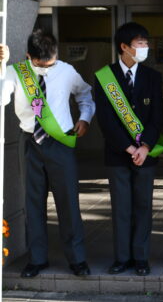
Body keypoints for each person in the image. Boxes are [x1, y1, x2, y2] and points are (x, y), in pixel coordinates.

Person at [0, 30, 95, 277]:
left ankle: (77, 259)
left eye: (49, 65)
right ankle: (38, 258)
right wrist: (1, 66)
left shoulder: (66, 70)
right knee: (32, 203)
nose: (45, 70)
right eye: (39, 66)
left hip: (60, 142)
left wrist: (84, 118)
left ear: (56, 55)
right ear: (28, 56)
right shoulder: (15, 71)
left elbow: (85, 93)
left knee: (68, 202)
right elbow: (1, 99)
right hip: (29, 141)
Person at [94, 22, 163, 276]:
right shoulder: (105, 76)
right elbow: (105, 119)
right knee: (121, 208)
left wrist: (145, 146)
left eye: (146, 43)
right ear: (124, 47)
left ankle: (141, 257)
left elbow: (158, 117)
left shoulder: (153, 77)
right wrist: (127, 147)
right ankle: (122, 257)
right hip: (117, 155)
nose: (145, 48)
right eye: (139, 44)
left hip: (145, 155)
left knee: (143, 207)